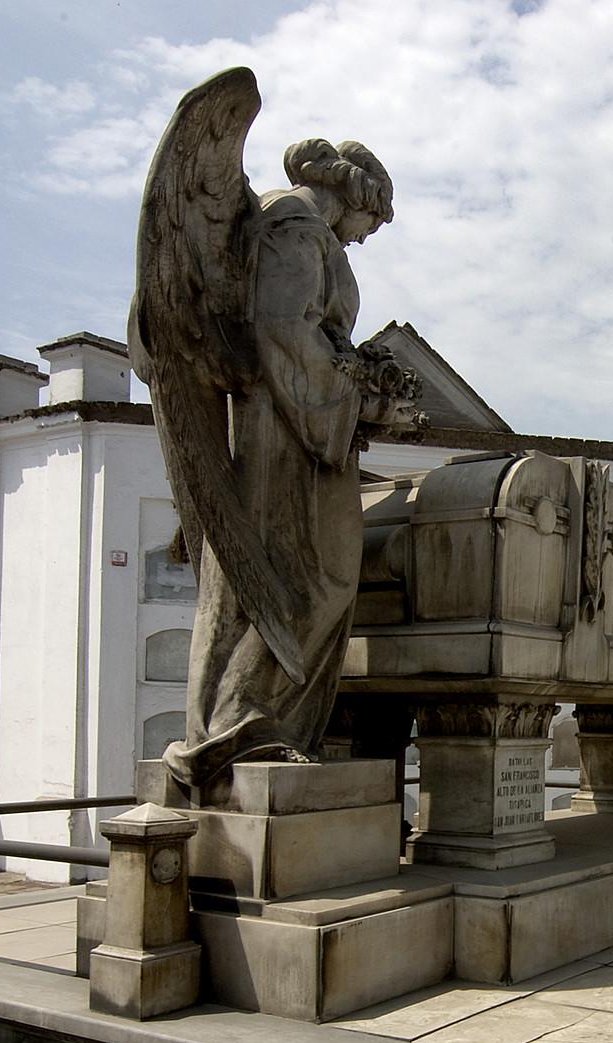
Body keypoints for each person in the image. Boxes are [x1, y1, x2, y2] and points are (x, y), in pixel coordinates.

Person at [163, 137, 408, 796]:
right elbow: (282, 331)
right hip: (289, 435)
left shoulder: (277, 224)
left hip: (295, 427)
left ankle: (238, 730)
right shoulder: (293, 227)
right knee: (308, 580)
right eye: (369, 225)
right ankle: (237, 729)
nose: (361, 240)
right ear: (357, 196)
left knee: (273, 582)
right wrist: (359, 395)